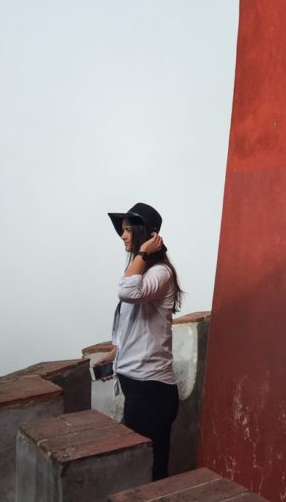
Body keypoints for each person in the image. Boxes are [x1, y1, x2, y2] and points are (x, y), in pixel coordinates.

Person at [93, 202, 183, 481]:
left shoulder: (160, 274)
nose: (123, 236)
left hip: (152, 392)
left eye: (128, 230)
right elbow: (132, 325)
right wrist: (115, 354)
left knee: (149, 472)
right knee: (136, 466)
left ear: (146, 234)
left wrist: (143, 253)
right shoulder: (144, 274)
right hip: (138, 389)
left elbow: (126, 291)